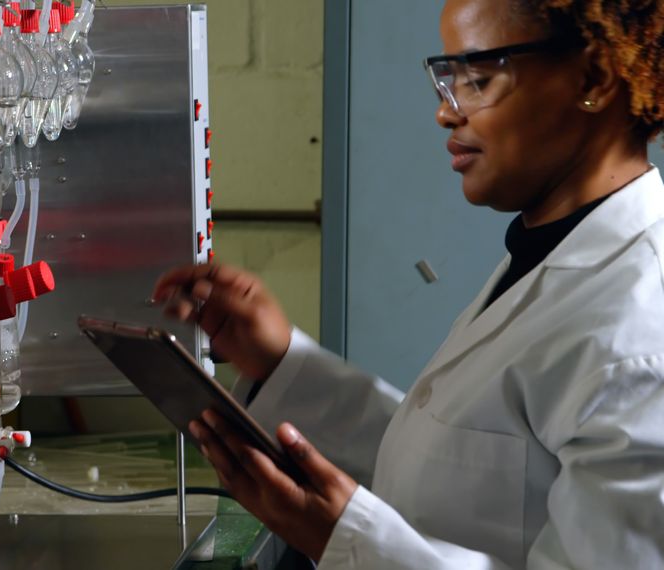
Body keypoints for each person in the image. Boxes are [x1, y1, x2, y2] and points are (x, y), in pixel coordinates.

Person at [152, 0, 664, 567]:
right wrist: (281, 362)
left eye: (478, 79)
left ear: (593, 78)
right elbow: (460, 473)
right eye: (446, 80)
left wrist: (342, 541)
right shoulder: (552, 252)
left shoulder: (641, 327)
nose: (447, 113)